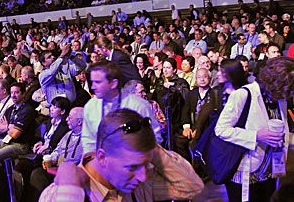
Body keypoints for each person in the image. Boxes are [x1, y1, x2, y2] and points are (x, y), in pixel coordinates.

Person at [39, 109, 204, 201]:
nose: (143, 176)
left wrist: (149, 148)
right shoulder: (56, 195)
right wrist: (71, 191)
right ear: (102, 157)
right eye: (132, 167)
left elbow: (192, 186)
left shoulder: (138, 186)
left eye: (146, 164)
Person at [215, 57, 294, 202]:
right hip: (245, 170)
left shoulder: (279, 97)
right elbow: (221, 129)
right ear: (276, 83)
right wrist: (256, 135)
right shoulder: (243, 94)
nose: (290, 94)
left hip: (271, 170)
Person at [82, 61, 162, 155]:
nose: (93, 87)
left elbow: (154, 137)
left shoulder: (138, 105)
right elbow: (88, 140)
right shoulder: (90, 106)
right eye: (92, 82)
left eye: (98, 82)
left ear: (113, 83)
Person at [0, 82, 35, 160]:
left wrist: (6, 127)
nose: (13, 95)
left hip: (20, 145)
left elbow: (15, 134)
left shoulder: (27, 110)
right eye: (11, 92)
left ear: (23, 94)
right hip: (6, 140)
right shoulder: (10, 109)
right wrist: (10, 127)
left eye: (16, 92)